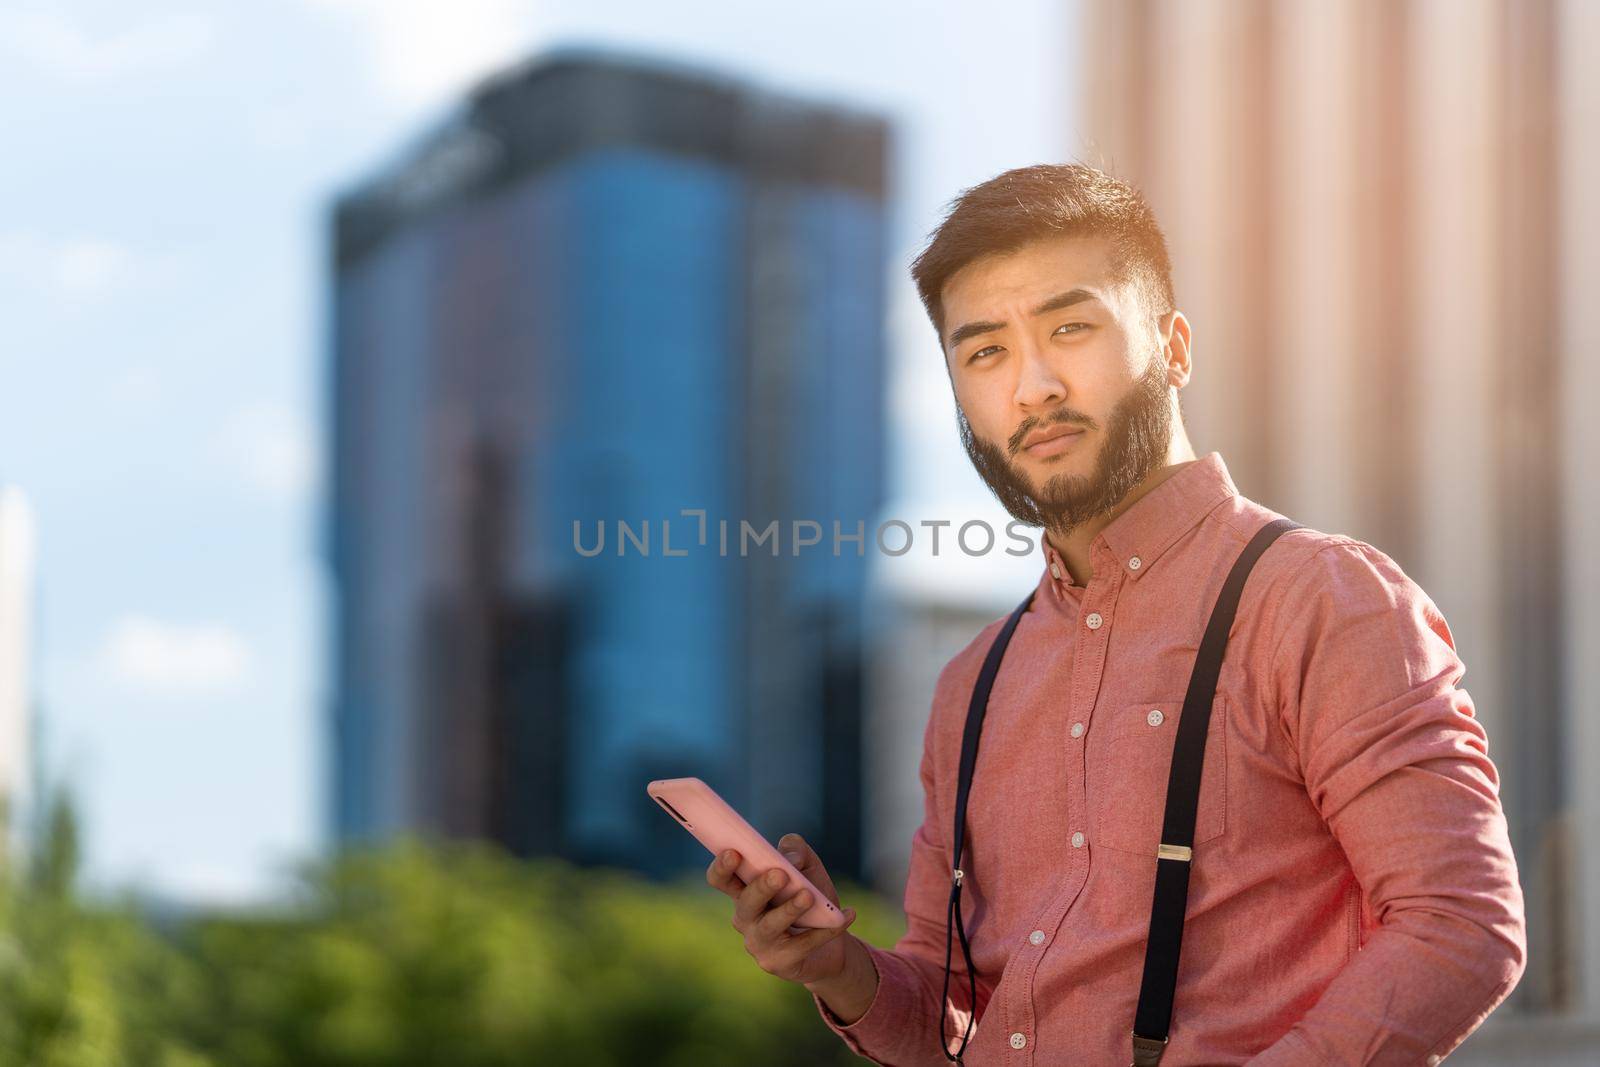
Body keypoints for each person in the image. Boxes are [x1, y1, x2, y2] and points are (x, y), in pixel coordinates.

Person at [706, 163, 1526, 1064]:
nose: (1034, 386)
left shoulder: (1321, 599)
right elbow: (952, 1012)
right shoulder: (970, 685)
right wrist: (834, 965)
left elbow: (1460, 925)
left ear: (1174, 345)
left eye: (1070, 327)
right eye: (985, 352)